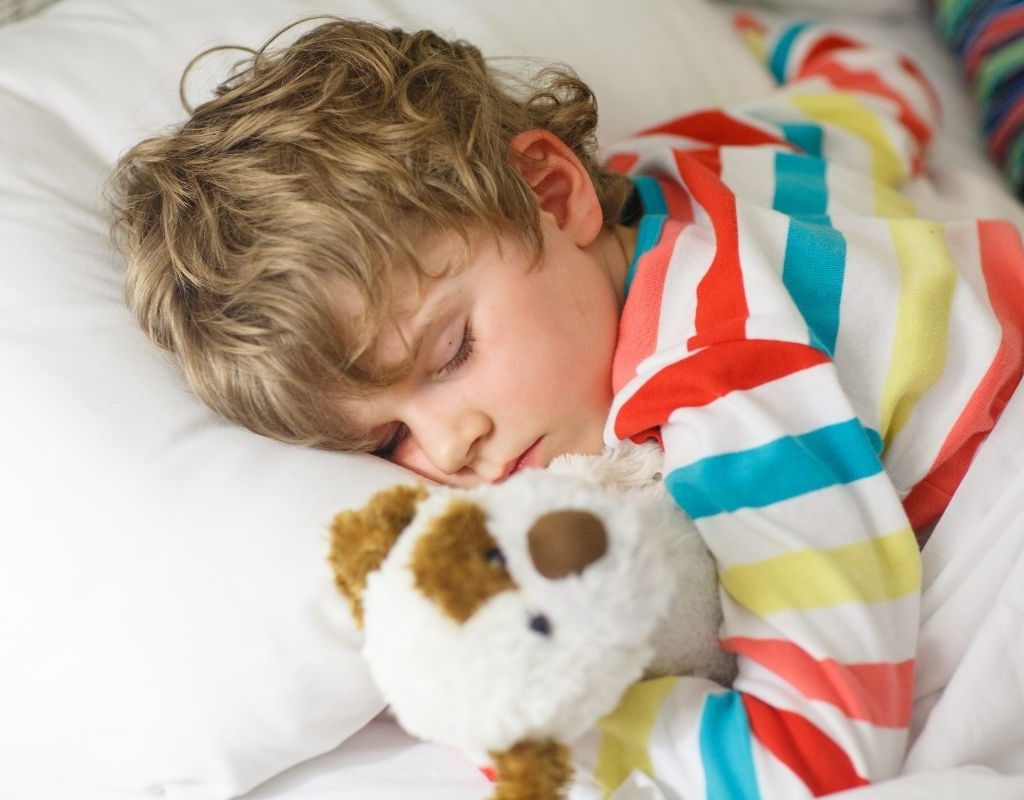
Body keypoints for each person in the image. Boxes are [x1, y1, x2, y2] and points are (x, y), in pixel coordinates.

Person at [107, 13, 1024, 798]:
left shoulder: (727, 381)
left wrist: (565, 734)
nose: (451, 446)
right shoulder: (690, 157)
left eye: (450, 352)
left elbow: (816, 756)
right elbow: (877, 93)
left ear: (554, 190)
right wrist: (779, 37)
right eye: (387, 438)